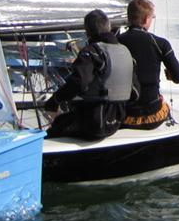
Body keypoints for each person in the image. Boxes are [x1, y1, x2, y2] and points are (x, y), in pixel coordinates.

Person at [43, 9, 137, 140]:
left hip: (94, 124)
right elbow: (136, 93)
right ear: (108, 27)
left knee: (53, 130)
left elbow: (79, 82)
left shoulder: (92, 52)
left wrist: (55, 100)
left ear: (87, 31)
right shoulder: (126, 51)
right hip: (117, 121)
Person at [119, 0, 179, 129]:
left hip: (125, 115)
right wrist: (170, 73)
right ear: (145, 20)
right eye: (152, 18)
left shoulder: (117, 42)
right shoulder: (160, 43)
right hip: (151, 115)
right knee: (163, 105)